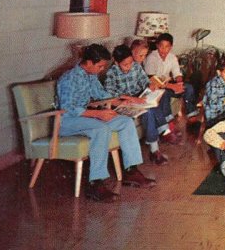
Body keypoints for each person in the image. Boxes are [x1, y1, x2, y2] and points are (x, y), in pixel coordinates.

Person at [56, 44, 155, 202]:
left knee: (125, 122)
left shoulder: (90, 76)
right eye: (100, 66)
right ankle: (95, 183)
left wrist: (126, 100)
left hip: (86, 117)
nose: (102, 69)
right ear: (88, 62)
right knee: (101, 128)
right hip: (67, 121)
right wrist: (98, 113)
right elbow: (67, 109)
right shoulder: (69, 78)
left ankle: (131, 170)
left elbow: (102, 95)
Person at [104, 44, 175, 166]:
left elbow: (145, 81)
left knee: (152, 105)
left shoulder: (136, 66)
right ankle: (159, 139)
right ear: (116, 62)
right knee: (148, 110)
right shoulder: (111, 73)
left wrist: (150, 86)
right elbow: (110, 95)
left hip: (138, 99)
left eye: (130, 63)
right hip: (123, 104)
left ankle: (155, 148)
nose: (129, 66)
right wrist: (131, 98)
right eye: (125, 65)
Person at [144, 33, 198, 120]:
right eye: (161, 46)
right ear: (157, 45)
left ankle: (191, 114)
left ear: (171, 47)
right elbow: (152, 79)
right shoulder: (151, 57)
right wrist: (173, 86)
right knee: (164, 93)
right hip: (155, 86)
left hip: (167, 84)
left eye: (167, 46)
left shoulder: (172, 57)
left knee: (188, 87)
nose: (164, 49)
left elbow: (177, 73)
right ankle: (168, 119)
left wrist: (179, 84)